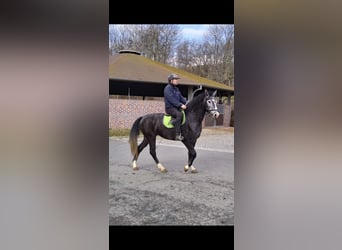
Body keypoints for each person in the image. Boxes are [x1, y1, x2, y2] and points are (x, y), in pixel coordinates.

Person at [164, 73, 187, 141]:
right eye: (175, 79)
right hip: (170, 108)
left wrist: (187, 103)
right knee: (179, 115)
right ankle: (177, 135)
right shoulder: (168, 88)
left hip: (176, 107)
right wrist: (180, 105)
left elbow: (181, 98)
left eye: (177, 79)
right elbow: (171, 99)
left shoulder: (176, 89)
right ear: (171, 80)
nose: (177, 80)